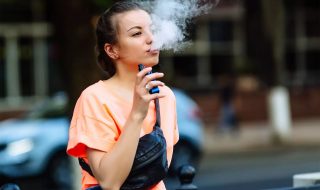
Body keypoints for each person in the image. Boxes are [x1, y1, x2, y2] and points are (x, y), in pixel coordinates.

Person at [66, 1, 179, 190]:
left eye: (152, 29)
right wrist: (137, 114)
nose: (151, 38)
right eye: (137, 33)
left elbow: (154, 173)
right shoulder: (95, 98)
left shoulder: (165, 96)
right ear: (112, 50)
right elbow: (110, 182)